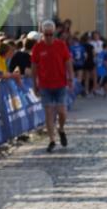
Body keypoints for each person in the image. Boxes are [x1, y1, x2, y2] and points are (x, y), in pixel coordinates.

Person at [31, 19, 74, 152]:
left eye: (51, 34)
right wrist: (34, 84)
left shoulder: (61, 45)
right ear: (42, 34)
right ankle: (51, 140)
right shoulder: (37, 47)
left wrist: (71, 77)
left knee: (62, 112)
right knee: (49, 113)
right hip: (45, 85)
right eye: (46, 34)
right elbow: (34, 67)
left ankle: (61, 129)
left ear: (54, 33)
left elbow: (68, 61)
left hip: (60, 83)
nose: (49, 37)